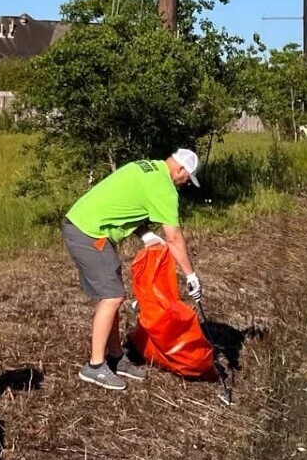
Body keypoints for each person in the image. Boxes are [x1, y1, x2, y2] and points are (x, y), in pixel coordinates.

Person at [63, 150, 203, 391]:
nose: (186, 184)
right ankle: (95, 367)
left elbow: (127, 201)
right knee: (112, 296)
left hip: (87, 227)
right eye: (188, 179)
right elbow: (174, 238)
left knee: (114, 294)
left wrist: (146, 234)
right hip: (88, 233)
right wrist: (191, 276)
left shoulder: (147, 167)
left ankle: (116, 357)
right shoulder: (164, 188)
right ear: (180, 170)